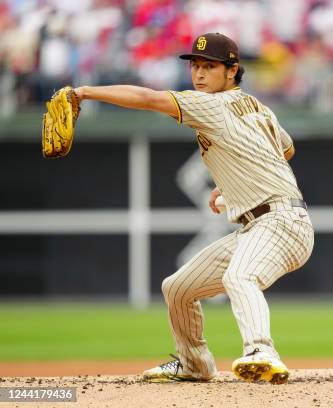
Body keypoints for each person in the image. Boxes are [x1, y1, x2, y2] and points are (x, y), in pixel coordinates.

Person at [73, 33, 314, 384]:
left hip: (281, 223)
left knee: (239, 276)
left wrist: (85, 93)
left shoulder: (211, 105)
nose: (199, 74)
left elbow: (149, 98)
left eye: (210, 66)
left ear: (232, 71)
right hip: (260, 225)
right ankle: (194, 364)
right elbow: (285, 150)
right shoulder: (257, 106)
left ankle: (261, 350)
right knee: (178, 288)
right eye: (195, 66)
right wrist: (229, 184)